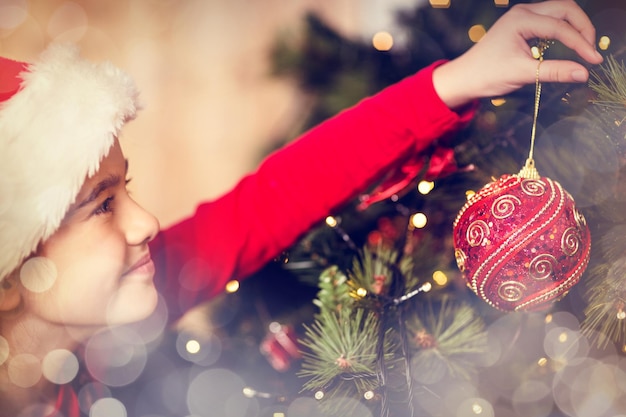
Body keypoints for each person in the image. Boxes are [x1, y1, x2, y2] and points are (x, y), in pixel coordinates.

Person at [0, 0, 603, 416]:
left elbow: (271, 200)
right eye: (102, 206)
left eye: (126, 188)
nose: (146, 221)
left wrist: (453, 82)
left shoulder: (96, 328)